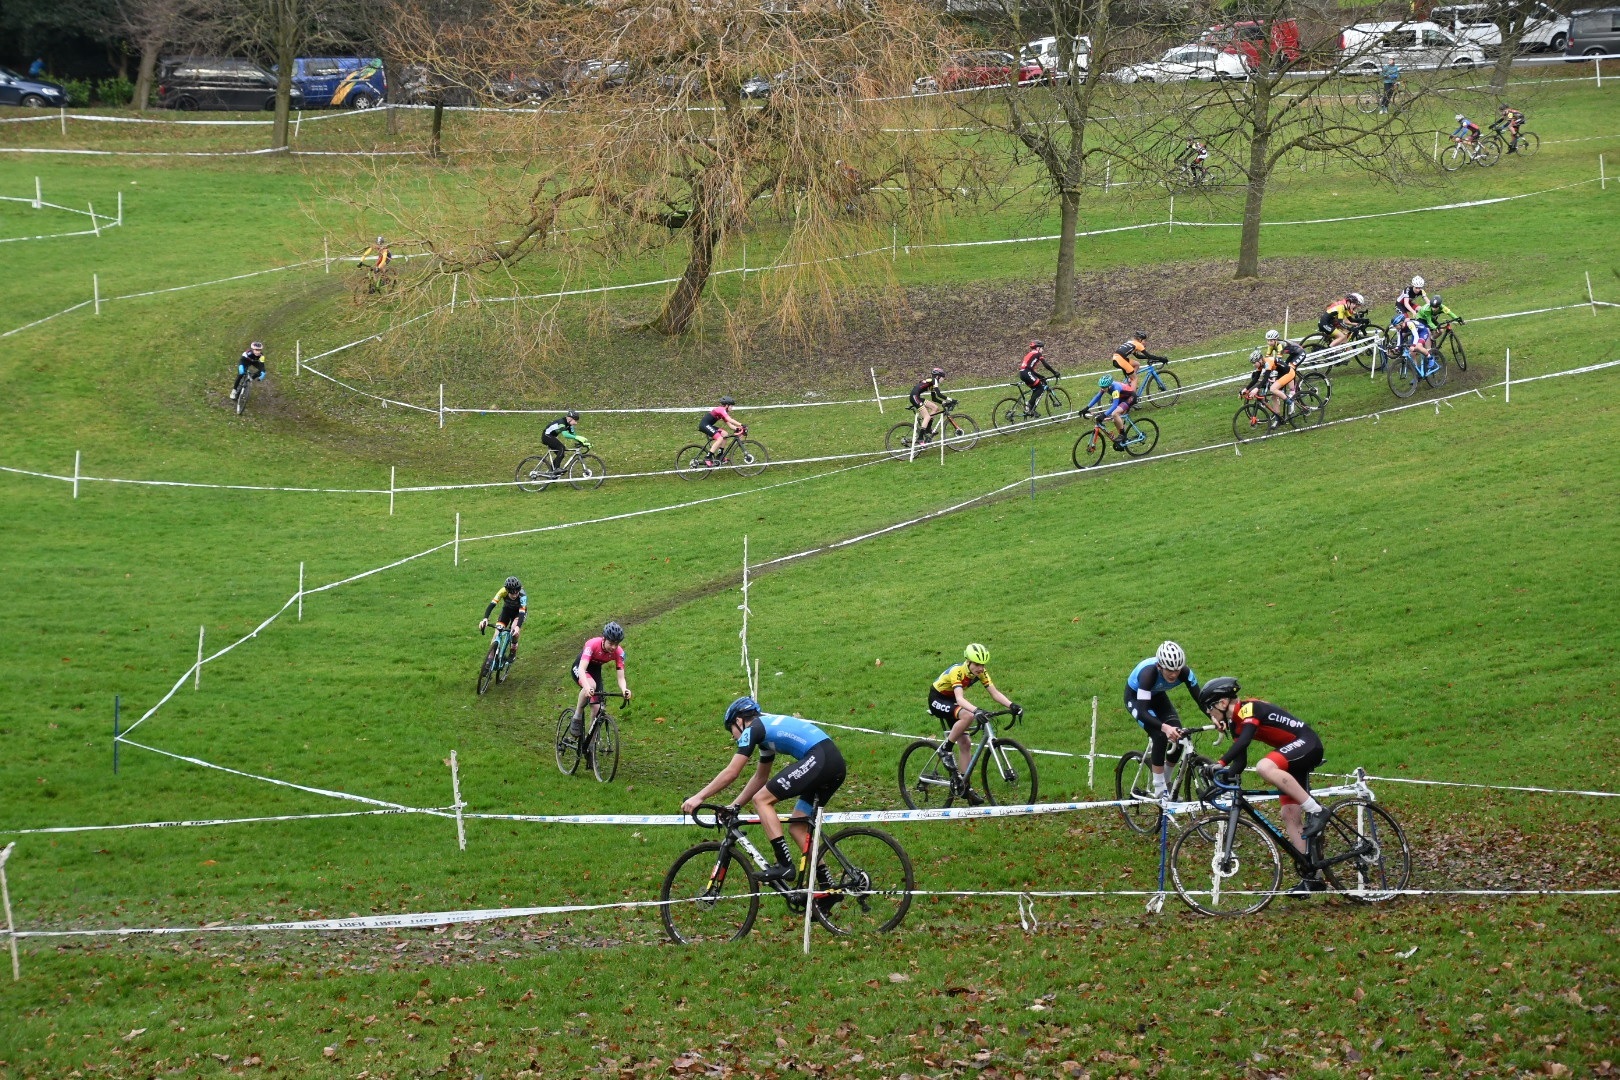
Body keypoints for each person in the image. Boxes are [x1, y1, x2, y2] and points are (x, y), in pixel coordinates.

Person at [682, 697, 846, 889]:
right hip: (831, 762)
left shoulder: (753, 729)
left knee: (761, 800)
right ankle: (828, 886)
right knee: (798, 828)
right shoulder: (765, 736)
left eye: (731, 730)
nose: (733, 736)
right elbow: (760, 777)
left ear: (739, 720)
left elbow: (732, 772)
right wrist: (735, 806)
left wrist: (699, 797)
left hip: (820, 759)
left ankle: (784, 864)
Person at [1196, 677, 1331, 896]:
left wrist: (1219, 762)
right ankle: (1312, 876)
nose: (1210, 715)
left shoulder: (1248, 708)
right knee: (1289, 814)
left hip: (1306, 743)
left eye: (1210, 708)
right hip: (1290, 754)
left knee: (1265, 767)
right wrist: (1220, 781)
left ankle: (1317, 810)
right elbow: (1240, 762)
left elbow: (1245, 741)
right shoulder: (1236, 724)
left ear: (1222, 703)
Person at [927, 644, 1021, 804]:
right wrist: (977, 710)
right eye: (977, 664)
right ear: (968, 662)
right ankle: (945, 749)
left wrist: (1011, 705)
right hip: (938, 699)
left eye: (983, 664)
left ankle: (964, 786)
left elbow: (994, 693)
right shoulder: (958, 671)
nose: (980, 668)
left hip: (952, 702)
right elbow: (960, 699)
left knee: (966, 743)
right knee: (968, 716)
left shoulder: (981, 673)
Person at [1123, 642, 1202, 799]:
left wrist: (1216, 718)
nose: (1173, 674)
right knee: (1159, 735)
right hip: (1137, 698)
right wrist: (1164, 728)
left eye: (1177, 670)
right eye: (1169, 670)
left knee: (1179, 735)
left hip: (1158, 696)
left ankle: (1166, 781)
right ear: (1160, 666)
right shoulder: (1148, 674)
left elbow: (1201, 700)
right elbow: (1144, 712)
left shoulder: (1185, 672)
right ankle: (1159, 788)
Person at [570, 622, 631, 740]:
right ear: (604, 639)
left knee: (598, 708)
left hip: (595, 671)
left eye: (616, 644)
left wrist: (624, 689)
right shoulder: (592, 644)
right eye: (611, 643)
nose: (613, 647)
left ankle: (591, 744)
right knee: (591, 685)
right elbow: (582, 669)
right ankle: (577, 716)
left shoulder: (619, 652)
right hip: (580, 667)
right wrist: (587, 687)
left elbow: (621, 677)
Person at [1247, 330, 1304, 426]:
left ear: (1276, 339)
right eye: (1268, 340)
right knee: (1274, 395)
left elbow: (1277, 360)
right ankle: (1278, 419)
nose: (1269, 342)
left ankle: (1292, 393)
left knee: (1290, 368)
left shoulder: (1280, 345)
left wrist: (1270, 375)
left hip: (1299, 353)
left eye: (1271, 340)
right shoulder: (1269, 347)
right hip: (1291, 357)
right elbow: (1267, 360)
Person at [478, 576, 527, 662]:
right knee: (497, 633)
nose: (515, 595)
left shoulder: (522, 595)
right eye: (512, 593)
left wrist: (517, 627)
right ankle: (490, 660)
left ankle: (513, 649)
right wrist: (485, 619)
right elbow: (492, 605)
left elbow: (522, 612)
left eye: (516, 593)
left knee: (513, 630)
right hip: (507, 610)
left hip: (518, 613)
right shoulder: (502, 591)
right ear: (507, 591)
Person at [1084, 373, 1138, 449]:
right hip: (1122, 398)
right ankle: (1123, 441)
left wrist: (1104, 415)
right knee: (1114, 419)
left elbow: (1114, 405)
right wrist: (1086, 408)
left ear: (1109, 386)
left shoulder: (1115, 388)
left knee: (1115, 413)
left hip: (1130, 397)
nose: (1102, 389)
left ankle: (1123, 434)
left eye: (1104, 387)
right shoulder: (1106, 386)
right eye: (1101, 387)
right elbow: (1097, 397)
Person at [1018, 342, 1061, 417]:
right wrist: (1054, 372)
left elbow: (1030, 369)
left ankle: (1031, 410)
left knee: (1036, 389)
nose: (1042, 350)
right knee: (1040, 388)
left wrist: (1041, 376)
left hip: (1023, 373)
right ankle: (1028, 405)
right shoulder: (1037, 353)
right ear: (1038, 348)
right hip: (1027, 373)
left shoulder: (1030, 354)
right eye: (1042, 348)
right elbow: (1045, 365)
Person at [698, 396, 745, 463]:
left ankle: (720, 456)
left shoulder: (723, 412)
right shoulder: (721, 409)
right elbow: (729, 419)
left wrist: (738, 428)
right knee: (720, 438)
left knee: (725, 434)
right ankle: (708, 457)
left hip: (709, 425)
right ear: (726, 405)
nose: (732, 408)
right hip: (704, 425)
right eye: (731, 406)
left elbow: (730, 425)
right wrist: (741, 424)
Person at [909, 367, 950, 440]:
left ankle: (928, 429)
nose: (943, 379)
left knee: (935, 408)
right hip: (915, 397)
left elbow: (934, 398)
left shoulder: (931, 383)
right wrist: (950, 400)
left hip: (916, 396)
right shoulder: (934, 380)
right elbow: (939, 394)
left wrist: (943, 402)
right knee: (927, 417)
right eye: (942, 377)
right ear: (938, 376)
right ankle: (920, 438)